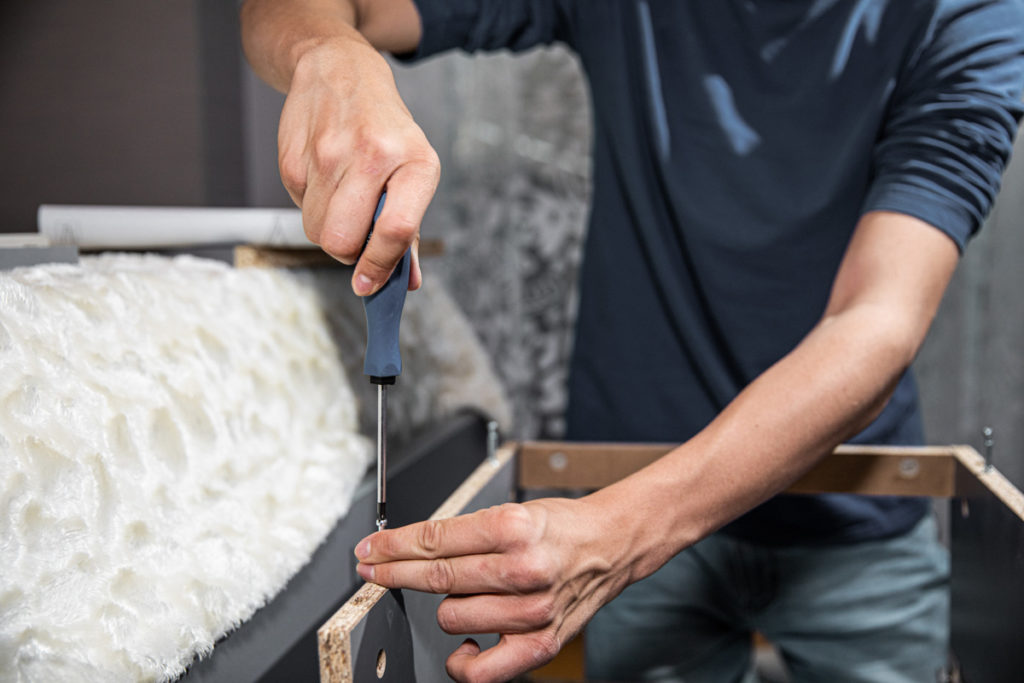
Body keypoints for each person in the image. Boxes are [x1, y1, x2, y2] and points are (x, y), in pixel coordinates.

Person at [240, 1, 1024, 681]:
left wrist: (624, 533)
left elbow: (876, 323)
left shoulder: (968, 16)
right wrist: (331, 54)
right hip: (627, 497)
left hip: (845, 520)